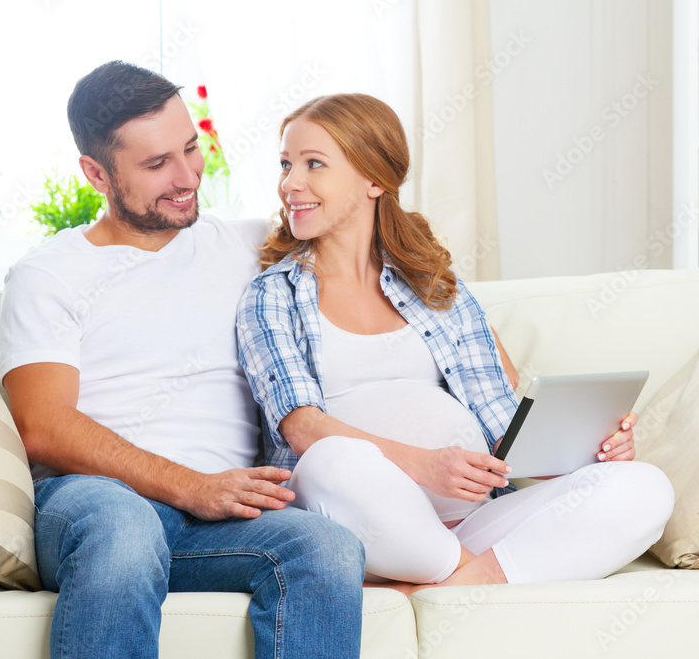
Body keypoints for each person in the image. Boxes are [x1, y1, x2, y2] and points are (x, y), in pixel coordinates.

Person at [0, 62, 367, 659]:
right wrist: (191, 487)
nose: (186, 175)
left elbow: (396, 263)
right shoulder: (49, 274)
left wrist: (512, 405)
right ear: (96, 173)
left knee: (327, 546)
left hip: (216, 518)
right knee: (125, 529)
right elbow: (42, 426)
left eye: (190, 149)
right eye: (155, 164)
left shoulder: (248, 245)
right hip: (91, 504)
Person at [235, 93, 675, 593]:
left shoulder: (436, 287)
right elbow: (304, 430)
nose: (290, 184)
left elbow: (502, 427)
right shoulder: (273, 295)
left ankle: (456, 586)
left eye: (314, 164)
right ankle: (469, 576)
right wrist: (424, 464)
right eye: (287, 164)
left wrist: (590, 451)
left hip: (470, 521)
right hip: (354, 519)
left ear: (374, 180)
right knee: (335, 460)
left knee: (645, 487)